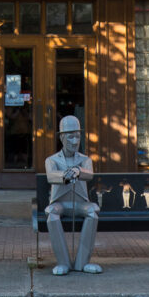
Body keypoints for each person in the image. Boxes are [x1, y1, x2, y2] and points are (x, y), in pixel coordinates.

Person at [44, 115, 102, 275]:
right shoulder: (52, 160)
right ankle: (63, 262)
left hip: (80, 203)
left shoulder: (85, 160)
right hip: (60, 203)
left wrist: (79, 171)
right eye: (71, 136)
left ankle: (82, 263)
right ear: (62, 138)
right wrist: (65, 175)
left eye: (77, 136)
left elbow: (89, 174)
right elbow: (51, 176)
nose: (75, 141)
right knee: (51, 214)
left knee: (93, 212)